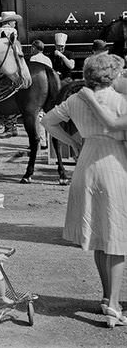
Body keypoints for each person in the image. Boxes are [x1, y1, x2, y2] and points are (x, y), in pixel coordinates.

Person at [42, 52, 127, 328]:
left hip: (86, 163)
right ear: (112, 75)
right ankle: (114, 305)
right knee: (117, 238)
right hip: (114, 165)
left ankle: (106, 297)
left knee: (100, 236)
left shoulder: (75, 99)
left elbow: (47, 121)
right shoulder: (120, 101)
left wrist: (73, 141)